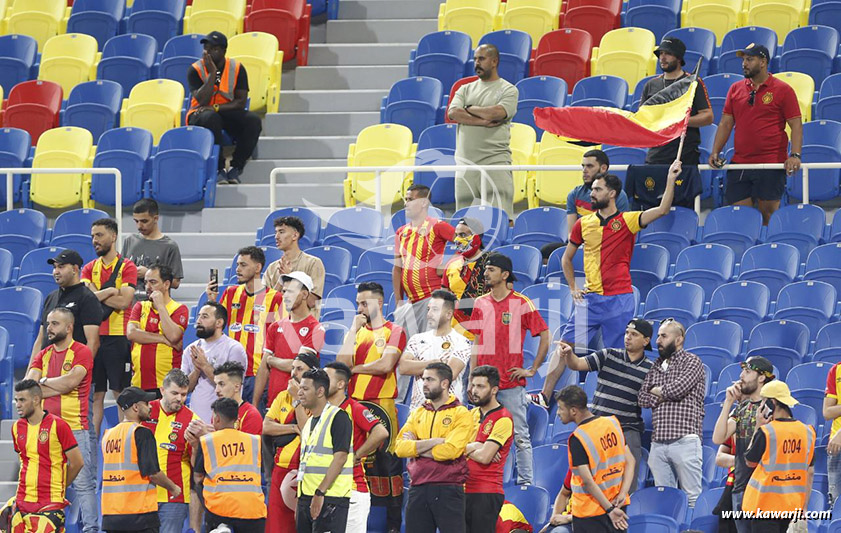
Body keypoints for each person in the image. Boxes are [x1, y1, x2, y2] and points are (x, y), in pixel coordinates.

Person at [534, 165, 680, 407]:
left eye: (597, 189)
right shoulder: (583, 224)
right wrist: (572, 287)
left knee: (619, 355)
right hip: (589, 299)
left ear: (612, 194)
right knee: (564, 345)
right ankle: (544, 395)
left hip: (619, 300)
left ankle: (614, 403)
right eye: (592, 189)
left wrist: (670, 179)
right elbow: (566, 258)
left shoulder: (628, 220)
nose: (592, 193)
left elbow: (663, 209)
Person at [531, 319, 655, 493]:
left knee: (627, 486)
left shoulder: (651, 369)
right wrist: (568, 354)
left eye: (634, 335)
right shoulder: (608, 354)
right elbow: (577, 364)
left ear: (646, 341)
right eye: (627, 333)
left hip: (627, 430)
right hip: (598, 429)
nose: (628, 337)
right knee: (591, 480)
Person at [469, 252, 549, 485]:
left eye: (491, 270)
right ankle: (484, 481)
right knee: (479, 436)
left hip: (511, 383)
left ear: (505, 275)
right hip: (482, 384)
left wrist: (532, 369)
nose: (486, 273)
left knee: (520, 436)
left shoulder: (521, 303)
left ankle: (526, 484)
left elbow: (544, 334)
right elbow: (476, 341)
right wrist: (471, 379)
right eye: (485, 270)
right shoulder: (480, 303)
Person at [336, 281, 407, 531]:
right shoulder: (356, 332)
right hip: (354, 406)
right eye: (357, 303)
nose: (359, 308)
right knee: (354, 467)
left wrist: (353, 369)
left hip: (383, 407)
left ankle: (391, 527)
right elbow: (339, 367)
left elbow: (386, 365)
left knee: (387, 472)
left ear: (378, 303)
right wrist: (351, 332)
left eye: (364, 303)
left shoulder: (394, 330)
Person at [709, 43, 803, 225]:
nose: (744, 63)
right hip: (740, 163)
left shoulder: (783, 90)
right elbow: (726, 123)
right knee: (740, 217)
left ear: (763, 62)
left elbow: (796, 124)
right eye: (743, 59)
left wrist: (795, 155)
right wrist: (715, 151)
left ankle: (768, 251)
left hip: (771, 163)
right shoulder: (735, 89)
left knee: (768, 216)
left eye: (749, 59)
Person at [25, 308, 98, 533]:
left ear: (69, 328)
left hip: (75, 428)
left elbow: (71, 383)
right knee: (47, 484)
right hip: (46, 431)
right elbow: (28, 388)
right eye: (48, 323)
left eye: (55, 324)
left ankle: (91, 529)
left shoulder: (82, 351)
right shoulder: (43, 354)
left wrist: (43, 383)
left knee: (83, 484)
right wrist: (48, 386)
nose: (49, 328)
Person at [395, 363, 473, 533]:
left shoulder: (461, 414)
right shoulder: (417, 413)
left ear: (445, 383)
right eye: (423, 379)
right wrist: (435, 441)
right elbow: (400, 448)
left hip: (449, 488)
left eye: (430, 379)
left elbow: (450, 451)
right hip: (418, 487)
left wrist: (416, 446)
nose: (424, 383)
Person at [638, 318, 706, 507]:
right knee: (664, 500)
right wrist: (661, 393)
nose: (658, 340)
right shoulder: (655, 366)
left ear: (679, 340)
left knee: (692, 498)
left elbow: (678, 390)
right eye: (658, 336)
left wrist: (658, 391)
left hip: (684, 439)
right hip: (658, 443)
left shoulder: (692, 361)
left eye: (664, 336)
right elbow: (642, 398)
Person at [206, 245, 281, 407]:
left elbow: (281, 337)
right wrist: (212, 301)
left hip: (257, 374)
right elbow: (214, 326)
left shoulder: (275, 298)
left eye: (243, 265)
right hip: (231, 374)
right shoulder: (230, 293)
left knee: (254, 422)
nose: (237, 269)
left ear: (258, 267)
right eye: (237, 265)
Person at [82, 218, 138, 436]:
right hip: (95, 337)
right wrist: (111, 291)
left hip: (118, 338)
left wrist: (98, 294)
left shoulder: (127, 266)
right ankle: (92, 446)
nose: (94, 240)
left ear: (113, 236)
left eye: (99, 235)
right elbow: (88, 300)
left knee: (120, 393)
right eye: (93, 236)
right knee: (96, 394)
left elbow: (125, 303)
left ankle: (125, 439)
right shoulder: (88, 268)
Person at [448, 43, 518, 215]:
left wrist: (470, 108)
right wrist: (482, 121)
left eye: (481, 59)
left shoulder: (508, 89)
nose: (476, 63)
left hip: (495, 162)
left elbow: (497, 113)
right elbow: (453, 113)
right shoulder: (464, 89)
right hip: (465, 164)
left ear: (494, 62)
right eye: (475, 59)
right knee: (464, 222)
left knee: (501, 219)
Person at [186, 31, 262, 184]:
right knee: (210, 117)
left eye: (212, 48)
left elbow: (240, 102)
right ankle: (219, 168)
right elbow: (202, 100)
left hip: (224, 110)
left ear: (223, 51)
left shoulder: (237, 68)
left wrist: (215, 108)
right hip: (199, 113)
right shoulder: (195, 69)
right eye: (205, 48)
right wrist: (212, 73)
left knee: (253, 120)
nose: (206, 52)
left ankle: (236, 167)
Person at [101, 387, 182, 533]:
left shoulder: (108, 435)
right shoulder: (141, 433)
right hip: (139, 515)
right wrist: (173, 488)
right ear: (136, 407)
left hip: (111, 515)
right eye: (146, 403)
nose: (151, 406)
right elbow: (153, 473)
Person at [557, 385, 634, 533]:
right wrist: (623, 493)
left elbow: (587, 481)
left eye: (561, 408)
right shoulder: (612, 423)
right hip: (618, 504)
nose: (558, 413)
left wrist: (609, 509)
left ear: (573, 410)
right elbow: (631, 461)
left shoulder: (578, 437)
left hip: (590, 513)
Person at [712, 356, 776, 533]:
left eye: (747, 371)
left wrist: (758, 426)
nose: (741, 376)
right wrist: (728, 402)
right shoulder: (743, 407)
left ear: (761, 377)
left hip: (765, 488)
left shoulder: (773, 407)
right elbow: (718, 438)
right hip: (741, 486)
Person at [10, 380, 84, 533]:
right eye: (16, 400)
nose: (17, 404)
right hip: (22, 500)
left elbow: (77, 463)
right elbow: (24, 460)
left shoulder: (59, 426)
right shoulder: (17, 427)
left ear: (36, 400)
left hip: (50, 503)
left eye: (22, 400)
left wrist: (58, 487)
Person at [325, 362, 390, 533]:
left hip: (351, 489)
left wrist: (357, 455)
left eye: (327, 378)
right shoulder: (319, 410)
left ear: (341, 384)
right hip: (324, 489)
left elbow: (381, 432)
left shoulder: (354, 408)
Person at [742, 381, 816, 533]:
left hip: (764, 506)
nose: (761, 406)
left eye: (764, 401)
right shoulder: (808, 432)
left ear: (772, 402)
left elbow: (749, 461)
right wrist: (804, 507)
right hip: (791, 506)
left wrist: (758, 426)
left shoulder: (767, 432)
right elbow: (809, 472)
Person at [263, 353, 319, 533]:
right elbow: (266, 427)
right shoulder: (282, 396)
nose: (293, 373)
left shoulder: (318, 401)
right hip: (281, 467)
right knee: (276, 526)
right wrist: (293, 428)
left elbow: (308, 434)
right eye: (293, 368)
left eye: (300, 369)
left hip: (306, 471)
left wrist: (297, 401)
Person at [392, 183, 456, 341]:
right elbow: (397, 268)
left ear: (424, 203)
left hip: (432, 298)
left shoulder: (437, 226)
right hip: (409, 303)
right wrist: (399, 302)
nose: (406, 203)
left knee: (430, 347)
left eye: (410, 199)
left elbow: (468, 242)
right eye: (405, 199)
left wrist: (448, 265)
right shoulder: (401, 232)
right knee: (407, 351)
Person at [194, 398, 267, 532]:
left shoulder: (207, 441)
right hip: (253, 511)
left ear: (216, 419)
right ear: (237, 419)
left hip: (219, 511)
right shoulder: (254, 441)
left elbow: (198, 477)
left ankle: (221, 527)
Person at [254, 271, 325, 407]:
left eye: (291, 292)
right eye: (284, 291)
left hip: (298, 403)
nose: (285, 296)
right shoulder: (275, 327)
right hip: (273, 402)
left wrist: (271, 360)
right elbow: (263, 368)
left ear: (305, 294)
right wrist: (255, 403)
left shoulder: (315, 328)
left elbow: (298, 367)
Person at [295, 369, 354, 533]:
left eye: (305, 389)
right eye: (300, 388)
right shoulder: (308, 424)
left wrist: (320, 492)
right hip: (307, 496)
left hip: (330, 498)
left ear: (320, 391)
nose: (299, 393)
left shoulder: (339, 417)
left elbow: (340, 458)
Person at [142, 369, 200, 533]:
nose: (179, 399)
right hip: (142, 495)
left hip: (174, 498)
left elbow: (196, 465)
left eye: (183, 394)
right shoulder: (145, 412)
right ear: (162, 390)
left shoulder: (192, 420)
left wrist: (196, 446)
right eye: (174, 393)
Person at [642, 38, 713, 166]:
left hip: (684, 155)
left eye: (668, 54)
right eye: (661, 54)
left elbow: (708, 117)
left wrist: (680, 121)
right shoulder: (650, 85)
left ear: (679, 58)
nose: (662, 58)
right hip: (656, 155)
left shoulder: (693, 82)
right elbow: (643, 118)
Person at [399, 289, 471, 409]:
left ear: (449, 314)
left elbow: (449, 375)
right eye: (429, 309)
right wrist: (433, 363)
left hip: (449, 412)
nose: (429, 314)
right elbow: (403, 367)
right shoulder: (417, 339)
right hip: (417, 411)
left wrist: (417, 365)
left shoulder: (462, 342)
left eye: (435, 310)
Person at [464, 365, 513, 533]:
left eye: (480, 386)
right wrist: (473, 447)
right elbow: (451, 446)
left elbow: (485, 457)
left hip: (485, 493)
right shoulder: (470, 415)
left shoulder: (503, 419)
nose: (474, 391)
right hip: (461, 490)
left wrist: (465, 449)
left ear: (494, 390)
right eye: (473, 385)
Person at [31, 249, 100, 366]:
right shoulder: (50, 297)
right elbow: (40, 339)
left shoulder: (87, 298)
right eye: (54, 267)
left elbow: (93, 342)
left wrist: (78, 374)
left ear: (75, 269)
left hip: (70, 367)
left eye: (61, 267)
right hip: (47, 368)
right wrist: (29, 374)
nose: (56, 272)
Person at [181, 302, 248, 423]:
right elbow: (185, 389)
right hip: (195, 419)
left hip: (224, 420)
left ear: (219, 323)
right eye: (198, 316)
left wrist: (204, 365)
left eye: (205, 317)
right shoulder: (190, 349)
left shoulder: (234, 348)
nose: (198, 321)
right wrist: (196, 370)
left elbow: (232, 386)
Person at [127, 264, 189, 393]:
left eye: (153, 282)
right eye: (146, 282)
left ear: (166, 285)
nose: (148, 287)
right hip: (138, 383)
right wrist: (162, 338)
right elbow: (132, 333)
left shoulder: (179, 309)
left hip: (166, 385)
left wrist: (160, 305)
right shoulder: (139, 306)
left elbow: (173, 336)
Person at [263, 216, 326, 319]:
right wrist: (281, 281)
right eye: (276, 232)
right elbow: (266, 305)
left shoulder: (314, 263)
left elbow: (311, 302)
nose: (276, 236)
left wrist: (290, 278)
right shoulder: (272, 268)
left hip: (305, 329)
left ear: (295, 235)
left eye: (281, 232)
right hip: (277, 328)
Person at [121, 198, 184, 300]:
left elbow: (175, 283)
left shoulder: (169, 246)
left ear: (156, 218)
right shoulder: (129, 240)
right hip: (129, 305)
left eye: (144, 221)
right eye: (136, 221)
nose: (139, 226)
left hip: (156, 306)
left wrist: (149, 274)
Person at [441, 217, 491, 339]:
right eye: (457, 235)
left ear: (477, 237)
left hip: (484, 331)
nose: (458, 240)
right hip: (453, 333)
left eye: (463, 235)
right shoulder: (451, 264)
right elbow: (444, 299)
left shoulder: (492, 263)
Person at [213, 361, 263, 435]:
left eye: (221, 384)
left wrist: (210, 436)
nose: (216, 390)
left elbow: (245, 445)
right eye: (216, 385)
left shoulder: (251, 415)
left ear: (237, 387)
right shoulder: (217, 412)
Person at [825, 359, 841, 506]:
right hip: (836, 447)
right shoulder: (836, 370)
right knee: (835, 504)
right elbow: (827, 412)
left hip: (838, 438)